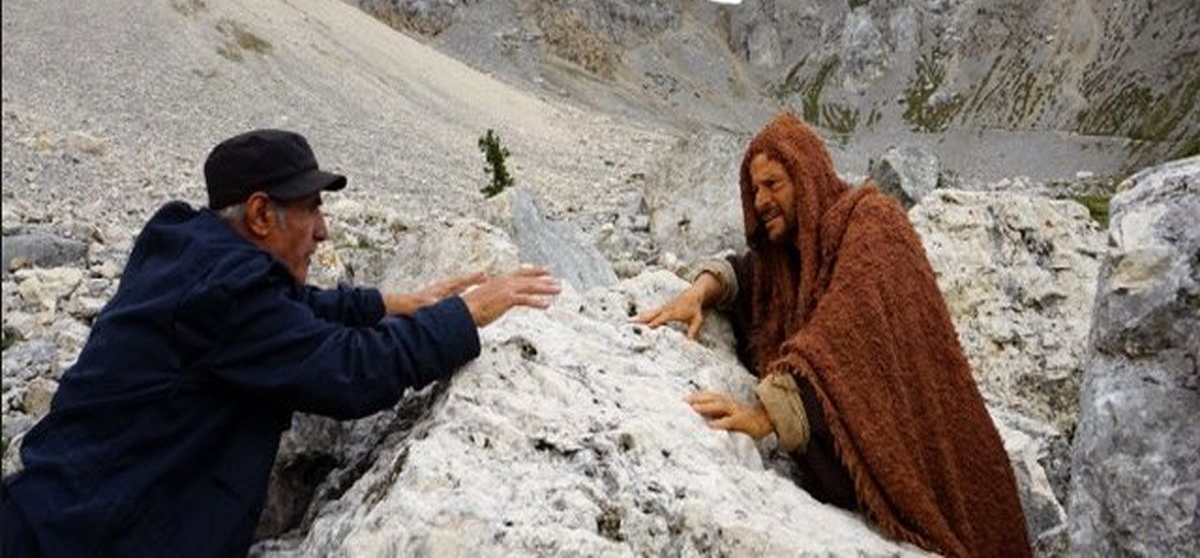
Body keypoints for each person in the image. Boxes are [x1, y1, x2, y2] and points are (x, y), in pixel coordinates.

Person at [2, 129, 560, 557]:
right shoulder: (225, 294)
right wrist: (468, 315)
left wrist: (386, 302)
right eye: (312, 208)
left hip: (54, 513)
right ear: (261, 214)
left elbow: (288, 313)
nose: (324, 230)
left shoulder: (194, 255)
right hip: (83, 539)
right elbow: (350, 373)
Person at [635, 112, 1030, 558]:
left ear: (805, 176)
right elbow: (752, 277)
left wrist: (766, 417)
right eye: (754, 188)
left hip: (940, 456)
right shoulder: (790, 259)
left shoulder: (872, 222)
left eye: (774, 184)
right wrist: (702, 289)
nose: (761, 200)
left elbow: (849, 331)